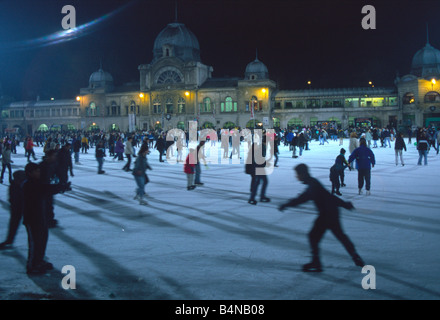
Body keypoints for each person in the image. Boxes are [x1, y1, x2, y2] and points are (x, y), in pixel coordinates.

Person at [279, 164, 365, 272]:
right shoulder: (313, 183)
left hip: (327, 214)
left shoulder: (313, 185)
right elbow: (328, 197)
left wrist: (286, 205)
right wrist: (344, 204)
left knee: (313, 236)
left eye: (297, 174)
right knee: (339, 235)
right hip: (331, 212)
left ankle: (316, 262)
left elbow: (304, 198)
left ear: (302, 174)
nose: (296, 177)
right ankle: (355, 256)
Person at [22, 162, 69, 274]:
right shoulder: (29, 185)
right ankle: (32, 265)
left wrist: (61, 187)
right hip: (32, 219)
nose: (39, 173)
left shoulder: (37, 183)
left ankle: (39, 261)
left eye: (39, 171)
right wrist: (60, 187)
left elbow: (47, 189)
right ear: (30, 173)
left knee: (42, 240)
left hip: (41, 217)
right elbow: (45, 189)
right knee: (35, 242)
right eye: (36, 171)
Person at [0, 170, 26, 249]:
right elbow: (11, 198)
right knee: (14, 224)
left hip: (25, 208)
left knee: (31, 227)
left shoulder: (24, 185)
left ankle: (10, 239)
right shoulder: (14, 186)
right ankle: (10, 239)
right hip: (17, 208)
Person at [246, 139, 270, 205]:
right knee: (261, 182)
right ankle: (255, 197)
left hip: (258, 167)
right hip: (258, 167)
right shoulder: (261, 147)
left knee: (259, 182)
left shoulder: (259, 147)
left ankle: (255, 197)